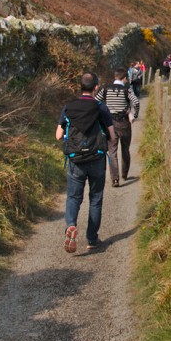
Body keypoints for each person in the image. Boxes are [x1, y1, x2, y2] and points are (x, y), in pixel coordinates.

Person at [56, 72, 115, 253]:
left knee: (74, 197)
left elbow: (58, 136)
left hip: (76, 160)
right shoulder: (101, 108)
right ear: (96, 87)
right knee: (95, 199)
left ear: (80, 86)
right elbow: (112, 136)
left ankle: (71, 225)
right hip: (96, 159)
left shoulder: (68, 108)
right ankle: (91, 239)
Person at [95, 67, 140, 187]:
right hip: (124, 123)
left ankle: (115, 179)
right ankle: (124, 174)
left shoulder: (105, 89)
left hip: (110, 123)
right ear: (124, 78)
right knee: (125, 149)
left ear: (115, 76)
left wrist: (102, 114)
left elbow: (96, 101)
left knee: (112, 151)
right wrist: (134, 115)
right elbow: (136, 102)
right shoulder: (127, 89)